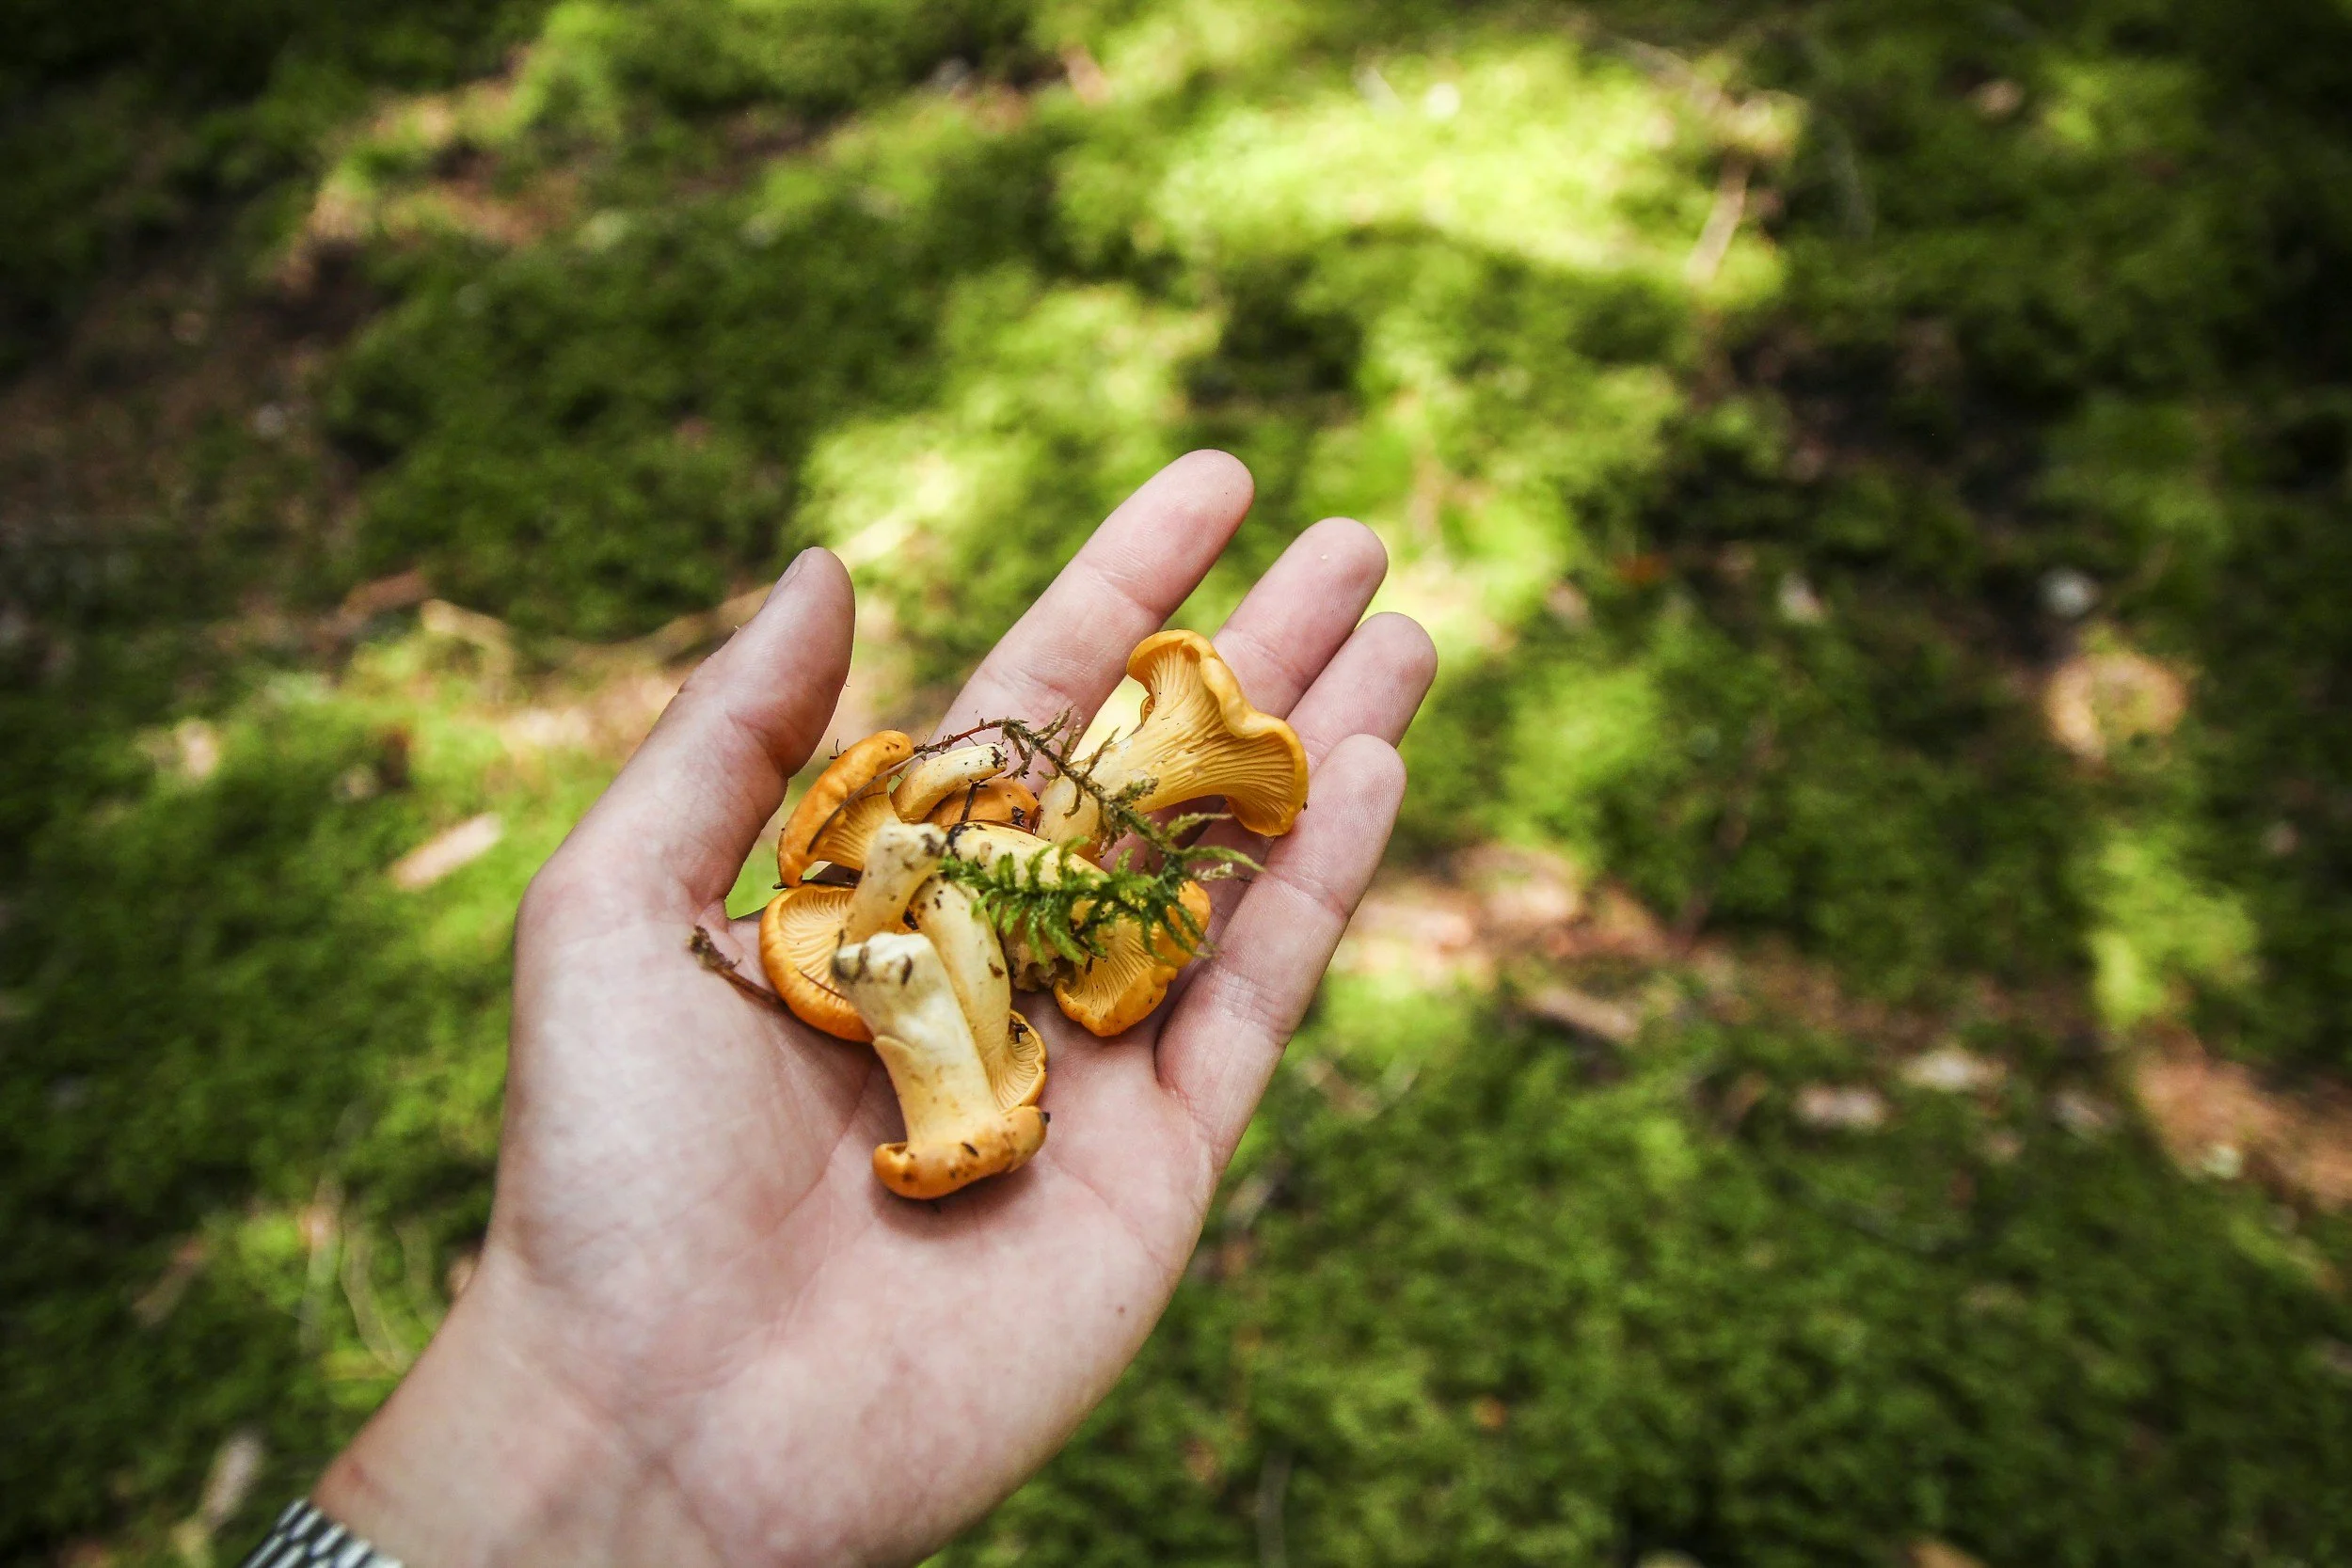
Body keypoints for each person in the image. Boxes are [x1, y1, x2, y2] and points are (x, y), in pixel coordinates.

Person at [254, 452, 1435, 1566]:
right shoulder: (893, 925)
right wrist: (603, 1409)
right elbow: (896, 919)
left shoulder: (988, 892)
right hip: (962, 1080)